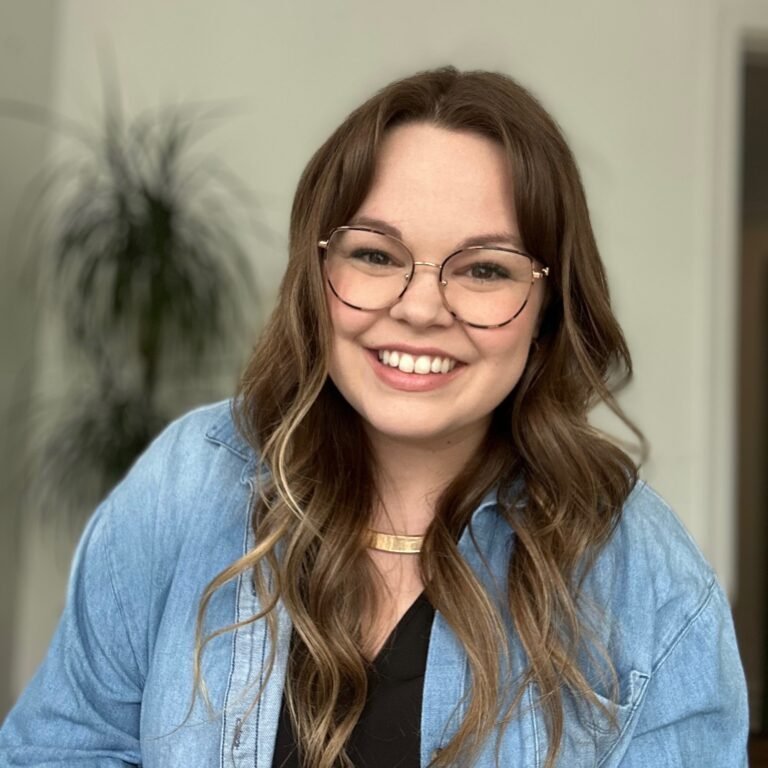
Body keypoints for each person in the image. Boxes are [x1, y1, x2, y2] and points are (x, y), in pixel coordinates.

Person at [0, 67, 748, 768]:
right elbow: (62, 748)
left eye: (484, 268)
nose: (420, 308)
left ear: (548, 306)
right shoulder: (188, 481)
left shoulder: (645, 580)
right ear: (318, 275)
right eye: (376, 256)